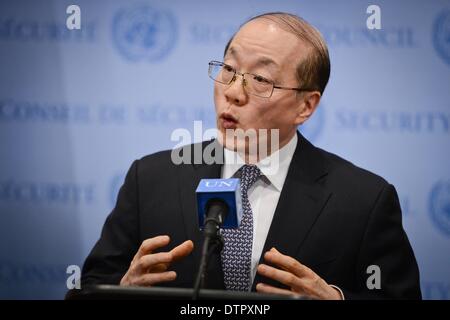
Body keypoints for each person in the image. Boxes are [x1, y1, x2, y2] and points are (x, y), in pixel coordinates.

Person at [80, 12, 421, 300]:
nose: (232, 92)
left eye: (260, 79)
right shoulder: (151, 179)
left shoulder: (364, 201)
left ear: (306, 106)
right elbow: (90, 289)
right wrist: (120, 290)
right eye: (228, 69)